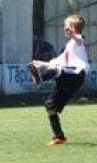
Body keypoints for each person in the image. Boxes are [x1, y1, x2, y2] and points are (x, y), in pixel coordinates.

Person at [27, 14, 88, 145]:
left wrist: (73, 35)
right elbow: (57, 62)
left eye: (67, 25)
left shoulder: (78, 41)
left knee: (58, 69)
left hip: (75, 75)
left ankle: (39, 79)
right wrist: (42, 64)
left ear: (73, 27)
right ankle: (59, 137)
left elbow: (79, 40)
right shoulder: (68, 47)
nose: (64, 27)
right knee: (50, 104)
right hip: (68, 76)